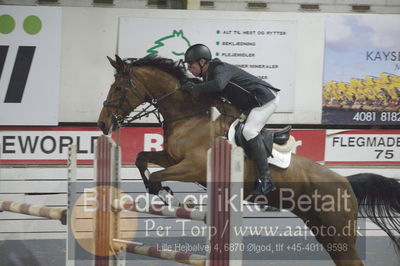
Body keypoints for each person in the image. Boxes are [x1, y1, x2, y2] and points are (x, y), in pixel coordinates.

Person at [181, 44, 280, 195]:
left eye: (191, 64)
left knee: (249, 131)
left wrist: (195, 88)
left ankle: (267, 180)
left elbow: (219, 85)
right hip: (251, 105)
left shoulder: (219, 67)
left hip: (265, 99)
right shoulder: (208, 76)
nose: (189, 68)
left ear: (202, 62)